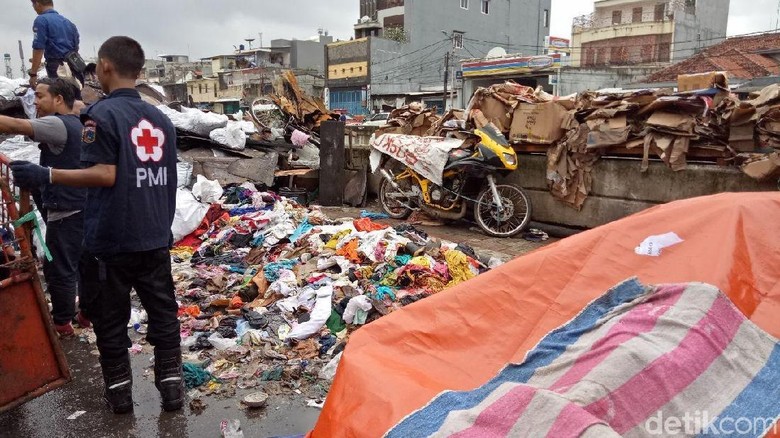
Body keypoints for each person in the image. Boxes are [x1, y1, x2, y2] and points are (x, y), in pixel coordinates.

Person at [11, 36, 182, 414]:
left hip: (112, 241)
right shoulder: (162, 121)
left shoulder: (101, 116)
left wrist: (47, 175)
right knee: (164, 316)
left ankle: (120, 397)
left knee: (110, 321)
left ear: (105, 66)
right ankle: (173, 393)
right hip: (154, 237)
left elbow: (105, 173)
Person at [0, 77, 88, 337]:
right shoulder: (79, 124)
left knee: (59, 268)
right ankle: (87, 314)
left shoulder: (56, 123)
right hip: (84, 206)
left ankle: (61, 323)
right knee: (85, 265)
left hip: (68, 210)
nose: (35, 102)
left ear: (58, 100)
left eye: (40, 96)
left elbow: (16, 125)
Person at [29, 0, 83, 89]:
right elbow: (76, 46)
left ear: (37, 4)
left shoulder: (41, 20)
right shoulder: (69, 23)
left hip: (56, 68)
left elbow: (38, 48)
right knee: (74, 98)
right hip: (74, 66)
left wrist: (33, 73)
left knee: (59, 98)